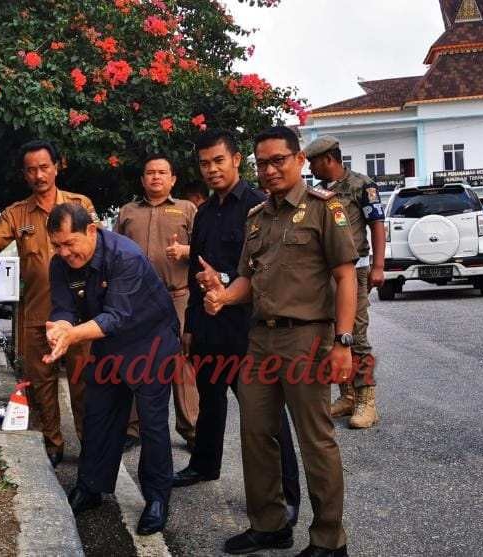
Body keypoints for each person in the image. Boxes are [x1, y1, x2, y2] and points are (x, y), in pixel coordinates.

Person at [204, 126, 357, 557]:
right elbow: (247, 280)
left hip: (307, 339)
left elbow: (346, 277)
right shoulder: (257, 217)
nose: (270, 170)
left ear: (299, 161)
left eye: (278, 161)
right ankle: (270, 524)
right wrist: (222, 295)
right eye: (263, 162)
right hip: (260, 341)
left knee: (315, 440)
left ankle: (329, 540)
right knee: (255, 434)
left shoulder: (325, 209)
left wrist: (343, 342)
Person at [173, 130, 301, 527]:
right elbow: (198, 273)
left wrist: (224, 283)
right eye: (204, 164)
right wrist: (191, 327)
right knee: (209, 402)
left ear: (236, 160)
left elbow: (269, 272)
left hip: (250, 330)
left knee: (265, 418)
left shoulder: (260, 207)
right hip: (209, 327)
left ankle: (287, 496)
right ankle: (204, 464)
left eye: (218, 161)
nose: (212, 170)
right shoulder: (205, 213)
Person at [44, 203, 178, 536]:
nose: (64, 252)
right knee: (98, 413)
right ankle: (91, 487)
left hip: (150, 341)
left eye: (69, 243)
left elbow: (116, 316)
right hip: (106, 340)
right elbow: (62, 307)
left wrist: (72, 335)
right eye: (57, 245)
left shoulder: (125, 256)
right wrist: (59, 330)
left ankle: (157, 498)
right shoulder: (60, 263)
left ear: (91, 230)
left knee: (151, 422)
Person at [0, 140, 93, 466]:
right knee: (42, 383)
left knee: (83, 381)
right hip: (37, 312)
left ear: (56, 166)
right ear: (24, 174)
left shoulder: (80, 204)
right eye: (31, 169)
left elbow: (95, 243)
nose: (38, 175)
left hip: (80, 312)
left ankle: (91, 445)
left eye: (44, 167)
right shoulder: (17, 214)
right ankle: (53, 443)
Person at [115, 155, 200, 451]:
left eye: (162, 172)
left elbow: (204, 250)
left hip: (177, 296)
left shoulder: (187, 209)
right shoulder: (127, 212)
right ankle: (133, 428)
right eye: (149, 172)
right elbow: (115, 253)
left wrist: (186, 250)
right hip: (136, 300)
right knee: (136, 361)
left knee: (181, 362)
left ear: (173, 179)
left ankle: (191, 429)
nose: (155, 177)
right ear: (142, 179)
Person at [305, 136, 385, 429]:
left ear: (328, 159)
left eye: (313, 161)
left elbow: (377, 223)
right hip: (324, 273)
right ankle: (347, 394)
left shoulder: (361, 185)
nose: (310, 167)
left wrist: (378, 265)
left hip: (356, 270)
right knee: (330, 334)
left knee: (356, 334)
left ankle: (367, 401)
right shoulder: (316, 191)